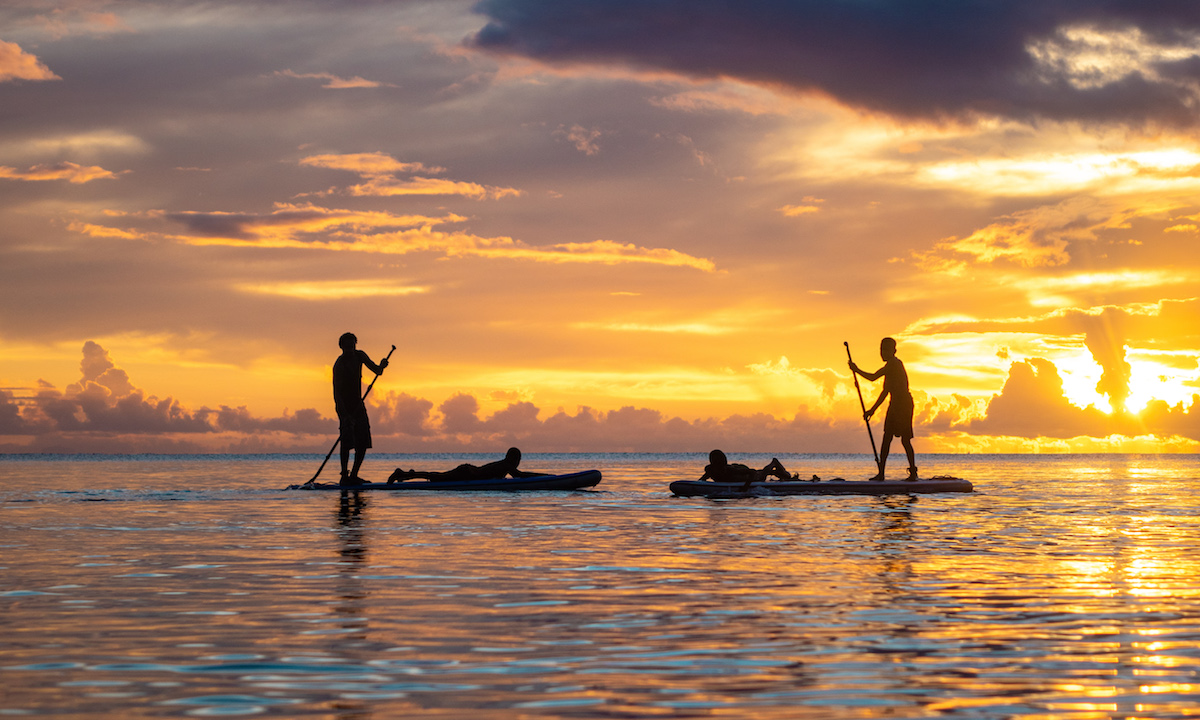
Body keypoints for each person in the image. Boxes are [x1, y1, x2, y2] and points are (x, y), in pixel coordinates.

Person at [849, 337, 917, 481]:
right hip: (894, 405)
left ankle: (913, 473)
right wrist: (871, 410)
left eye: (886, 350)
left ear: (894, 351)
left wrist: (856, 369)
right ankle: (881, 474)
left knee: (905, 440)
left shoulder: (894, 364)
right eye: (881, 350)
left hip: (904, 405)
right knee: (886, 438)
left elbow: (873, 377)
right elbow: (885, 392)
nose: (883, 353)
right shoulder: (890, 368)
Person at [333, 332, 388, 486]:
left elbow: (377, 371)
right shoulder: (339, 364)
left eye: (352, 345)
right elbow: (337, 392)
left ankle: (354, 475)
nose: (350, 349)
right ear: (341, 347)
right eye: (347, 346)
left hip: (358, 404)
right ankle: (344, 475)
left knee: (362, 441)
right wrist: (344, 416)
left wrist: (382, 365)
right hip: (344, 405)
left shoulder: (360, 356)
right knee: (346, 440)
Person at [387, 447, 547, 483]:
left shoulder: (506, 465)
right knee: (436, 477)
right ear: (513, 458)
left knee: (436, 476)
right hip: (466, 473)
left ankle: (407, 475)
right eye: (518, 459)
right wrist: (546, 477)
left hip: (468, 471)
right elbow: (521, 476)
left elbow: (520, 474)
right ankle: (401, 474)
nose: (518, 462)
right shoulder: (507, 465)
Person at [699, 449, 793, 489]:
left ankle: (774, 463)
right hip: (740, 471)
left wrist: (746, 487)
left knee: (762, 474)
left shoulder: (729, 470)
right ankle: (776, 471)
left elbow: (752, 472)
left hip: (750, 476)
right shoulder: (711, 470)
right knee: (764, 472)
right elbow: (701, 481)